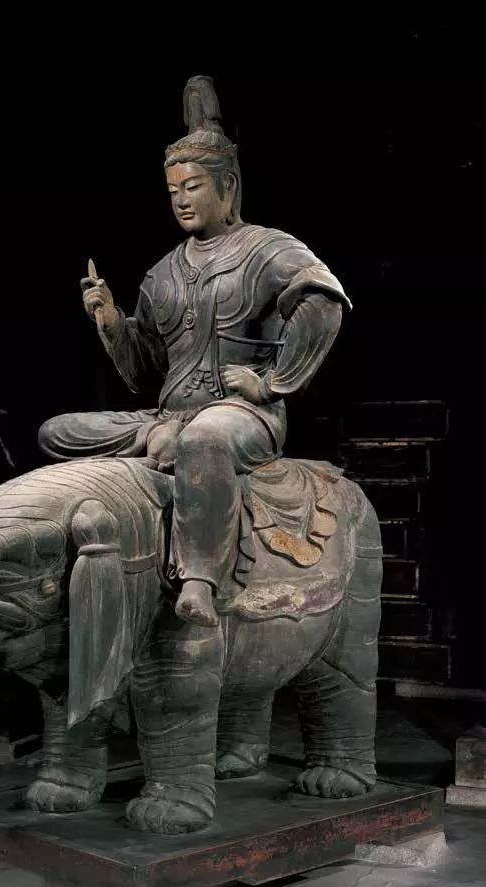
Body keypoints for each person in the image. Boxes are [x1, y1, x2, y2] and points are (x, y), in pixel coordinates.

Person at [39, 75, 351, 628]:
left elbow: (323, 299)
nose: (181, 199)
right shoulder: (162, 273)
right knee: (56, 431)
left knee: (205, 439)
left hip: (241, 417)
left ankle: (199, 582)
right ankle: (160, 446)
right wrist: (111, 322)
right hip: (167, 415)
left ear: (227, 186)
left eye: (193, 186)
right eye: (173, 190)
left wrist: (272, 384)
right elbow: (146, 368)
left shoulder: (266, 249)